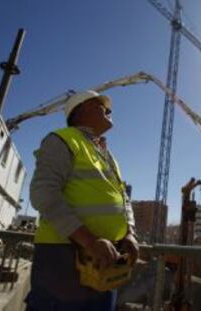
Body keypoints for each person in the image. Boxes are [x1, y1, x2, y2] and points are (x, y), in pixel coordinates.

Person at [26, 90, 139, 311]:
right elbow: (43, 193)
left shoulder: (107, 155)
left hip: (107, 256)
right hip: (63, 256)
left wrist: (130, 233)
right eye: (102, 106)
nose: (109, 111)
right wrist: (88, 240)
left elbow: (123, 198)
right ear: (84, 108)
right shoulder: (61, 139)